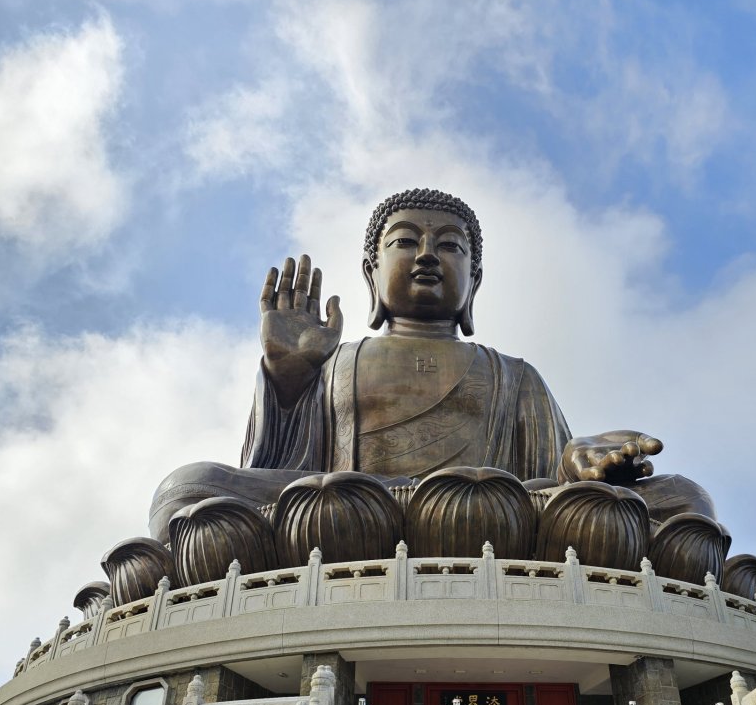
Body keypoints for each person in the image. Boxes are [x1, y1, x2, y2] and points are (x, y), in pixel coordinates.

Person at [149, 188, 715, 547]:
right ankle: (416, 505)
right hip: (348, 509)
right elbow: (282, 471)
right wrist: (290, 378)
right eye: (405, 242)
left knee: (684, 499)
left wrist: (578, 465)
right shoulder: (337, 363)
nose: (426, 255)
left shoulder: (514, 375)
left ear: (475, 280)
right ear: (372, 274)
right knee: (186, 491)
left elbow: (556, 479)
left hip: (490, 510)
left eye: (449, 246)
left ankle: (429, 505)